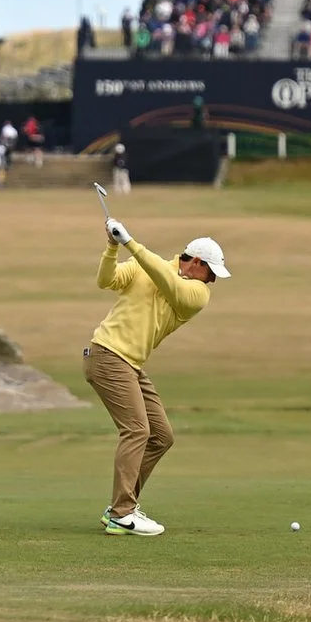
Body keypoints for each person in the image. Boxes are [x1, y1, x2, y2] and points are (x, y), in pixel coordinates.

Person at [85, 219, 228, 536]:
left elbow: (169, 284)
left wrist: (131, 243)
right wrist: (112, 246)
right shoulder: (144, 268)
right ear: (195, 262)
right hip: (108, 354)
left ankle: (121, 506)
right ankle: (122, 512)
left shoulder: (196, 294)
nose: (214, 280)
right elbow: (105, 280)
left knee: (161, 436)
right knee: (137, 430)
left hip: (131, 364)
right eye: (212, 272)